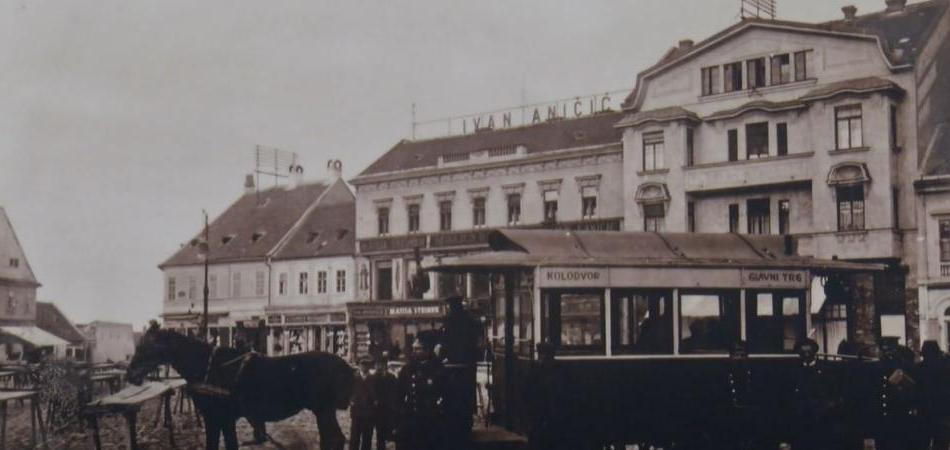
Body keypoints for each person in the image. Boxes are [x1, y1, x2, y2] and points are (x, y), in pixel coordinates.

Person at [440, 295, 480, 448]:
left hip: (453, 366)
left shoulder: (449, 321)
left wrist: (444, 355)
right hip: (468, 366)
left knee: (452, 396)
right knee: (466, 396)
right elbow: (475, 343)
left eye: (450, 306)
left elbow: (446, 343)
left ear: (453, 306)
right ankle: (466, 423)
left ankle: (453, 426)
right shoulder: (470, 321)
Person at [790, 338, 843, 450]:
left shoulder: (826, 369)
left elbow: (835, 393)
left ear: (814, 352)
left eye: (809, 352)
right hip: (801, 420)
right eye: (803, 353)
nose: (806, 355)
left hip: (823, 419)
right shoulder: (794, 371)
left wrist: (829, 405)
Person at [396, 332, 445, 450]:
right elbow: (398, 395)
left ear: (427, 350)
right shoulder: (407, 369)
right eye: (413, 348)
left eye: (418, 349)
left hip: (430, 420)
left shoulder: (438, 370)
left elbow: (445, 395)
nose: (414, 351)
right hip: (411, 419)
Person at [916, 341, 950, 450]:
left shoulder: (919, 368)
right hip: (944, 412)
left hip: (924, 411)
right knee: (941, 443)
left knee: (923, 442)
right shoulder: (946, 367)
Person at [371, 354, 398, 450]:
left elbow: (395, 392)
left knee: (390, 432)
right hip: (378, 410)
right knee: (380, 433)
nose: (378, 367)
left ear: (385, 365)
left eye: (381, 365)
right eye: (377, 365)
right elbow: (372, 392)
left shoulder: (392, 378)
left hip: (389, 409)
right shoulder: (373, 378)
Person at [350, 358, 376, 450]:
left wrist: (375, 401)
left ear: (369, 366)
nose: (364, 367)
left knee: (367, 439)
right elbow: (348, 392)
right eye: (362, 364)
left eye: (367, 365)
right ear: (359, 365)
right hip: (357, 413)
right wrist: (351, 400)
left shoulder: (373, 379)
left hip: (369, 414)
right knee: (354, 438)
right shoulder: (354, 378)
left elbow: (376, 394)